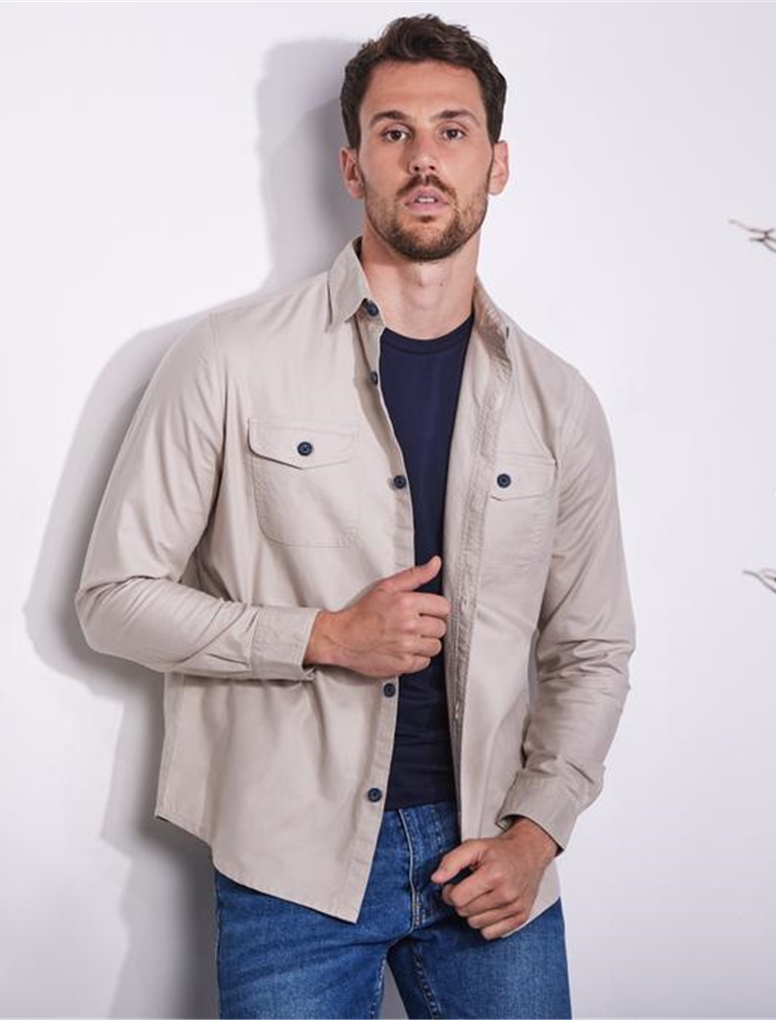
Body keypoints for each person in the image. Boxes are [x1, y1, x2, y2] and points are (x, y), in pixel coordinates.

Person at [75, 13, 634, 1020]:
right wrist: (323, 636)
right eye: (394, 131)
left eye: (453, 131)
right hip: (289, 864)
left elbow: (592, 648)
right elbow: (113, 599)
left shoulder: (560, 403)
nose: (425, 159)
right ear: (352, 165)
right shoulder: (229, 360)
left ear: (498, 163)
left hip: (493, 859)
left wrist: (538, 832)